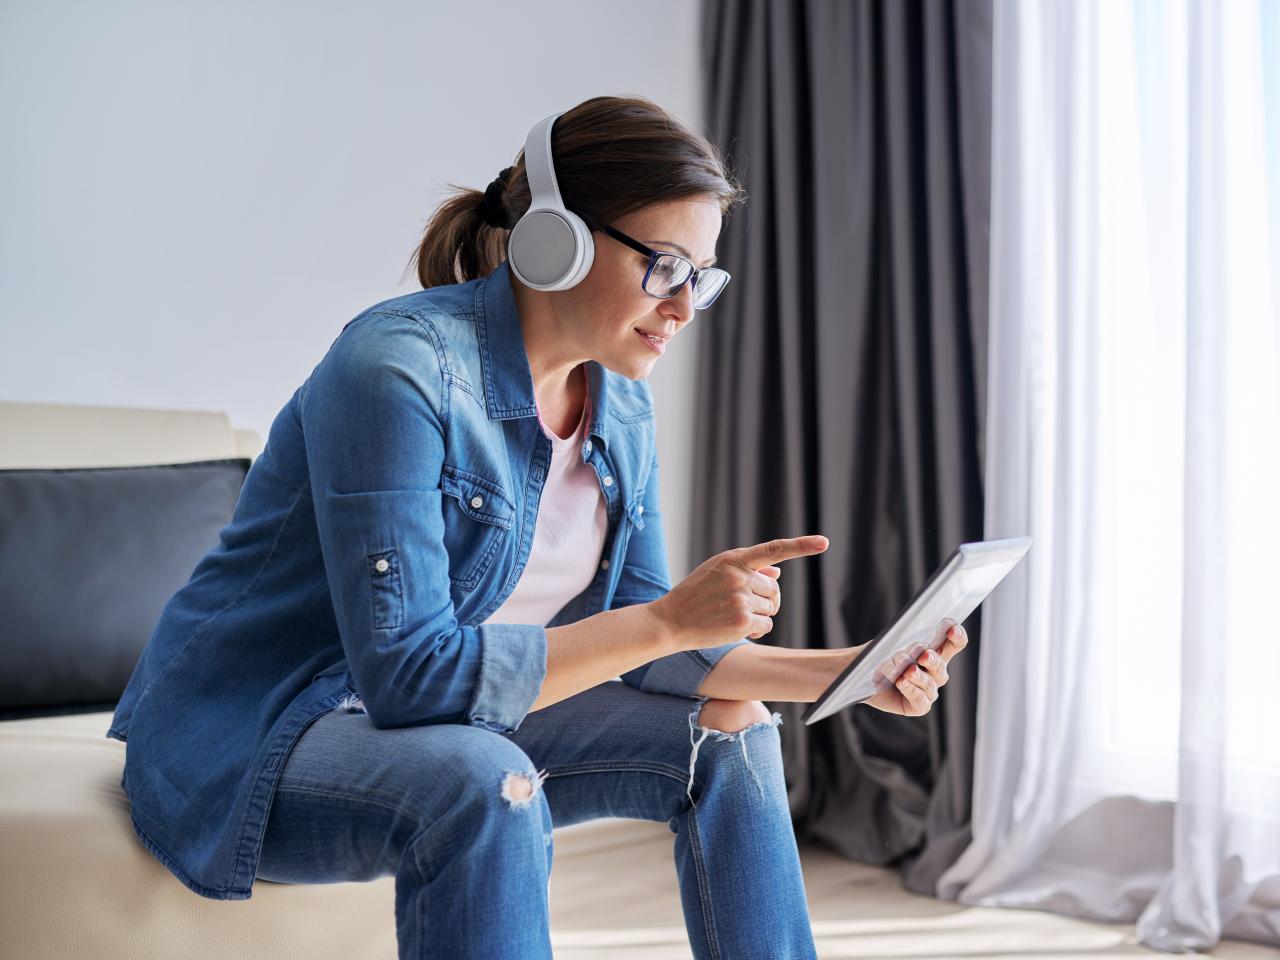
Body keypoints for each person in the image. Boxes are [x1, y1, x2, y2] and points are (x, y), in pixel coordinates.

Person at [106, 95, 967, 960]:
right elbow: (409, 676)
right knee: (488, 782)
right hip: (261, 732)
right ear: (556, 240)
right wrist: (670, 617)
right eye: (665, 267)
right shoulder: (396, 371)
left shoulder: (620, 403)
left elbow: (654, 647)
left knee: (732, 730)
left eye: (702, 279)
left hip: (448, 724)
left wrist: (852, 672)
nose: (684, 308)